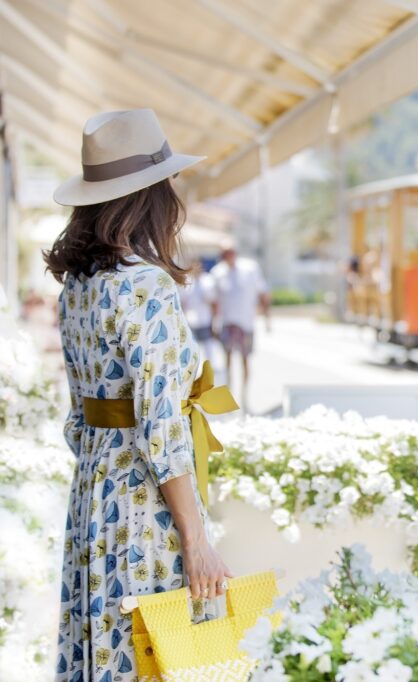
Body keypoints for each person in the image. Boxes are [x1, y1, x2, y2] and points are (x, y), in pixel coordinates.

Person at [45, 109, 234, 680]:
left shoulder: (77, 287)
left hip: (94, 494)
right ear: (151, 196)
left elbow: (79, 420)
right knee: (161, 650)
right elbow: (161, 425)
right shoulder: (145, 285)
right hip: (142, 502)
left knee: (103, 639)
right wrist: (195, 537)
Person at [211, 241, 269, 411]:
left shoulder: (250, 269)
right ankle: (229, 396)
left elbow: (263, 292)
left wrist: (266, 317)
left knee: (245, 360)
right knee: (227, 361)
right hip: (227, 322)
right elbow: (215, 302)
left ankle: (244, 397)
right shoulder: (218, 272)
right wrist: (215, 323)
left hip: (246, 322)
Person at [179, 257, 219, 377]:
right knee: (192, 350)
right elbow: (183, 303)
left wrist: (215, 321)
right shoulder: (187, 282)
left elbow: (214, 303)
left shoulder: (208, 281)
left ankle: (209, 371)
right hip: (191, 321)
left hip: (205, 319)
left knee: (208, 348)